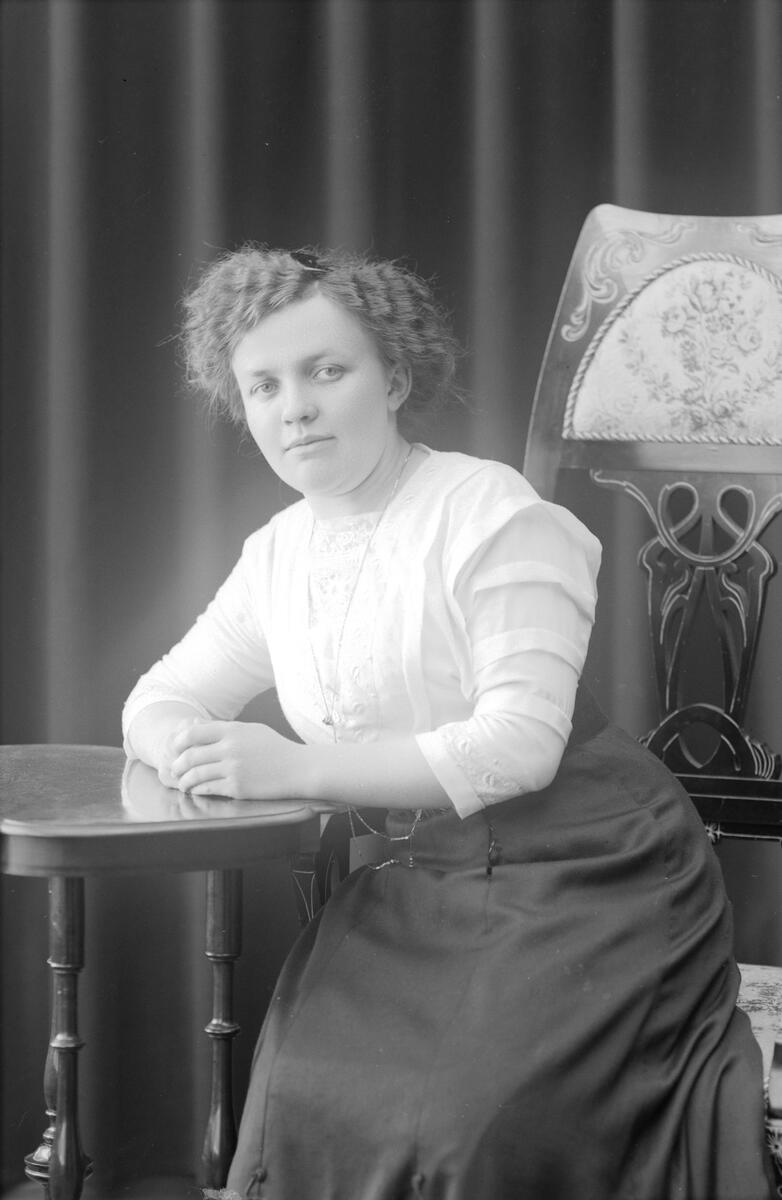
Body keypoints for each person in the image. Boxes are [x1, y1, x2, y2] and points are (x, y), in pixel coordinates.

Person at [122, 245, 774, 1200]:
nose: (294, 407)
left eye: (326, 371)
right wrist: (186, 745)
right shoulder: (278, 554)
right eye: (263, 385)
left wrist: (286, 768)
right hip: (423, 880)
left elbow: (519, 746)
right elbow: (156, 699)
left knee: (473, 1121)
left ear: (395, 378)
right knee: (305, 1092)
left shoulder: (488, 513)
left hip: (594, 868)